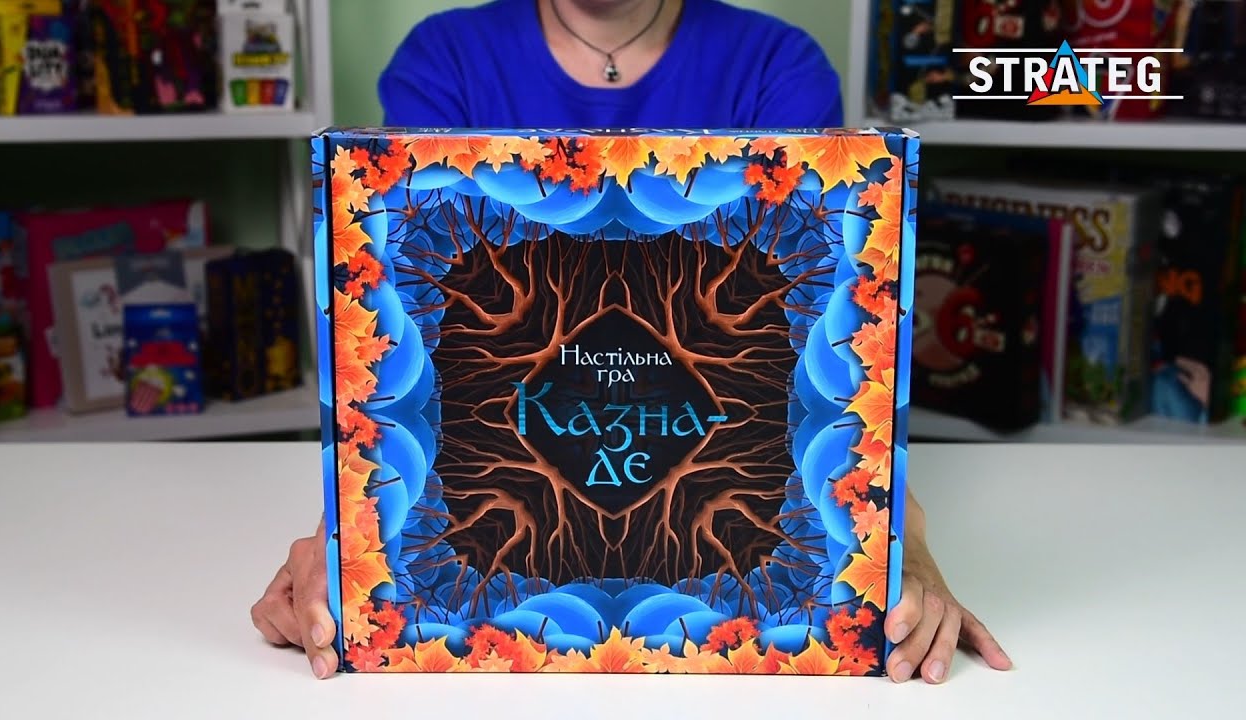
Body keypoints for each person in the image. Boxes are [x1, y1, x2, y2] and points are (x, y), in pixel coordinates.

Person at [251, 0, 1013, 684]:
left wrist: (899, 551)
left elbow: (847, 359)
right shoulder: (444, 58)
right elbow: (389, 319)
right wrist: (343, 548)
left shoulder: (777, 64)